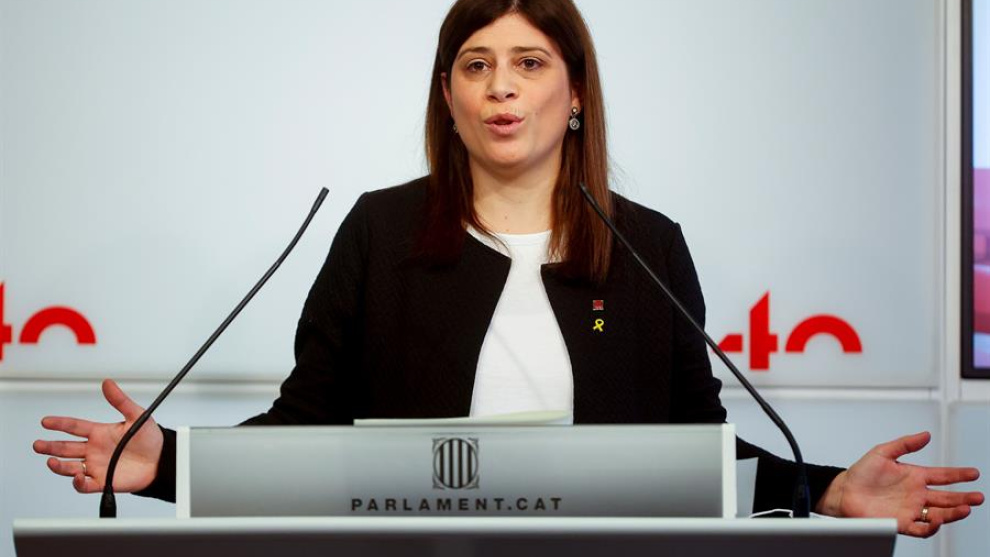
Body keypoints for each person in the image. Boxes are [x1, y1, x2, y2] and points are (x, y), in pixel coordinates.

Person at [33, 0, 982, 537]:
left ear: (574, 95)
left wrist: (827, 489)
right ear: (447, 97)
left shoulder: (647, 247)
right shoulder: (378, 232)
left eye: (529, 63)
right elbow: (306, 433)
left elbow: (695, 456)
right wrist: (166, 465)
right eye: (476, 64)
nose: (501, 88)